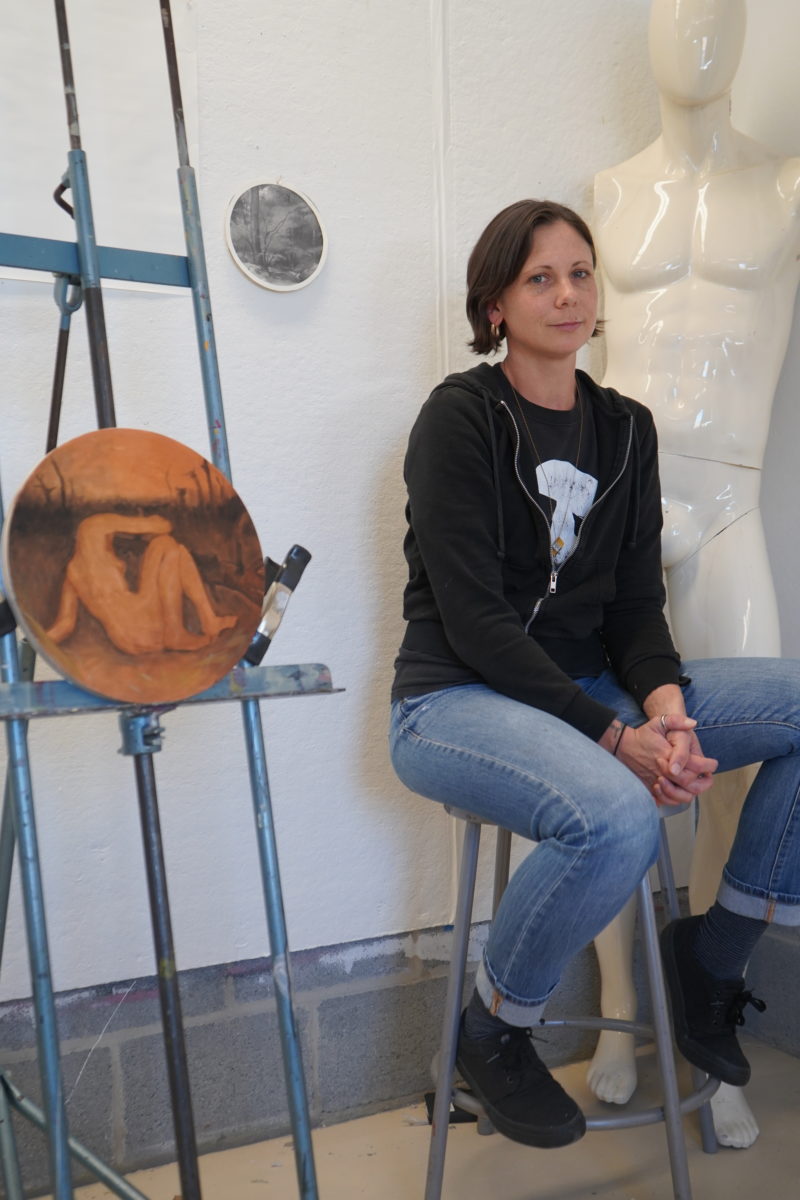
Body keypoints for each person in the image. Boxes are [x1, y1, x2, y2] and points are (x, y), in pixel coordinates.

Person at [388, 198, 800, 1149]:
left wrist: (667, 711)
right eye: (540, 278)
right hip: (454, 699)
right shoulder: (460, 420)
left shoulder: (625, 429)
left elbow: (630, 609)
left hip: (593, 692)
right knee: (615, 810)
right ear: (494, 304)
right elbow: (478, 624)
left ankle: (710, 960)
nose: (568, 294)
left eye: (580, 274)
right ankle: (494, 1029)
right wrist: (619, 737)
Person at [588, 0, 800, 1147]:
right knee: (602, 744)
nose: (693, 28)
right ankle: (620, 1010)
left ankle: (707, 1014)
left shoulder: (785, 186)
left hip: (727, 499)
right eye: (672, 9)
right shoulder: (606, 188)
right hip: (623, 502)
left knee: (745, 756)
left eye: (715, 7)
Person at [46, 512, 237, 655]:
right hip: (146, 625)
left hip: (127, 641)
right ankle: (182, 631)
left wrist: (35, 641)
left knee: (171, 549)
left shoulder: (74, 572)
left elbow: (65, 624)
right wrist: (148, 522)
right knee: (165, 543)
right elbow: (163, 526)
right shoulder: (97, 524)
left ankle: (206, 621)